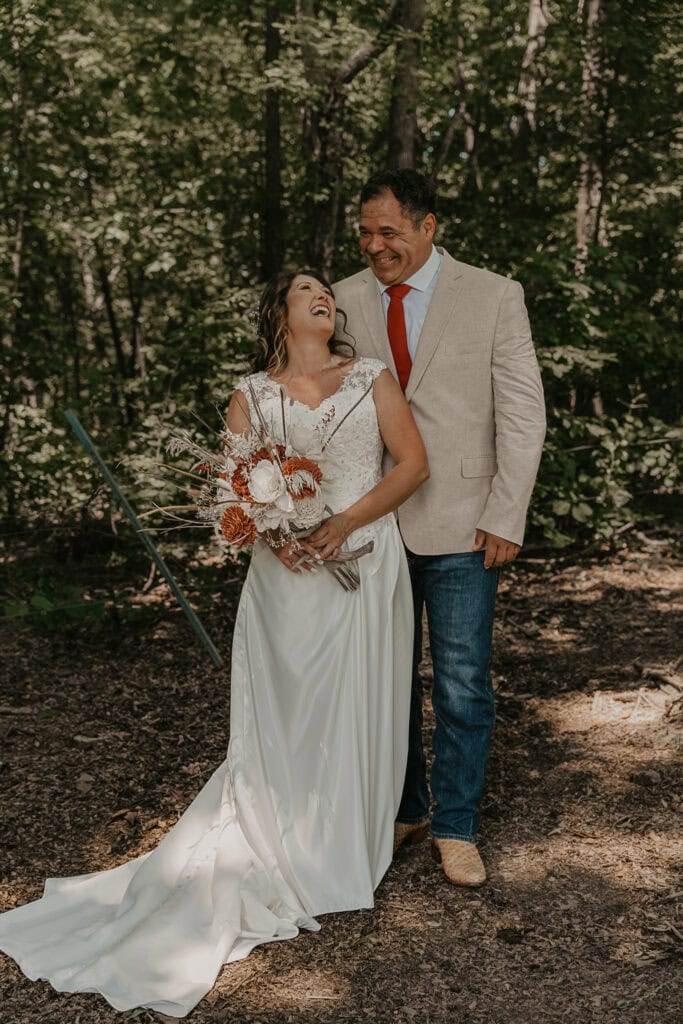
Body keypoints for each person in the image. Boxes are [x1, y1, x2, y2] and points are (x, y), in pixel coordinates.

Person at [0, 269, 429, 1018]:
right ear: (279, 313)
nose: (321, 293)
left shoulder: (371, 377)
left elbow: (412, 467)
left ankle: (344, 846)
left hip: (365, 558)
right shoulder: (249, 395)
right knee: (287, 710)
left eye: (327, 288)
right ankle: (276, 841)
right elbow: (232, 500)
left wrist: (342, 523)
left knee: (360, 700)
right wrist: (275, 534)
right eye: (304, 289)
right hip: (285, 579)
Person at [334, 169, 546, 887]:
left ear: (429, 227)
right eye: (364, 231)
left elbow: (521, 414)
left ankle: (456, 825)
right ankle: (407, 808)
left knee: (461, 682)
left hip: (465, 522)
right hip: (373, 524)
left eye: (388, 231)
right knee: (385, 679)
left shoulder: (492, 295)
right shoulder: (341, 300)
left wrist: (505, 512)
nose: (373, 245)